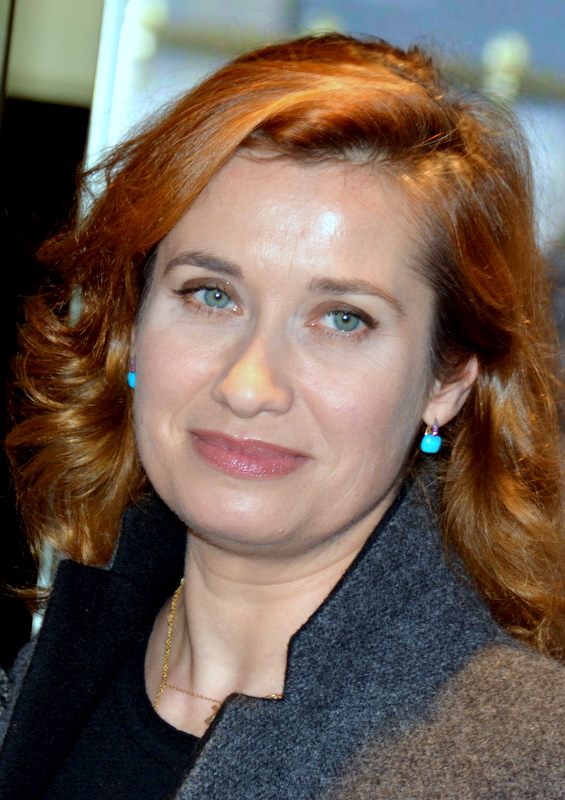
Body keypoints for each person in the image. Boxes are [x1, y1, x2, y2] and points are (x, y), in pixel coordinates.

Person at [0, 32, 564, 800]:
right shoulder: (51, 678)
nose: (249, 385)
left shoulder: (527, 761)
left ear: (447, 380)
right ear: (131, 326)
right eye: (210, 295)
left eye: (342, 319)